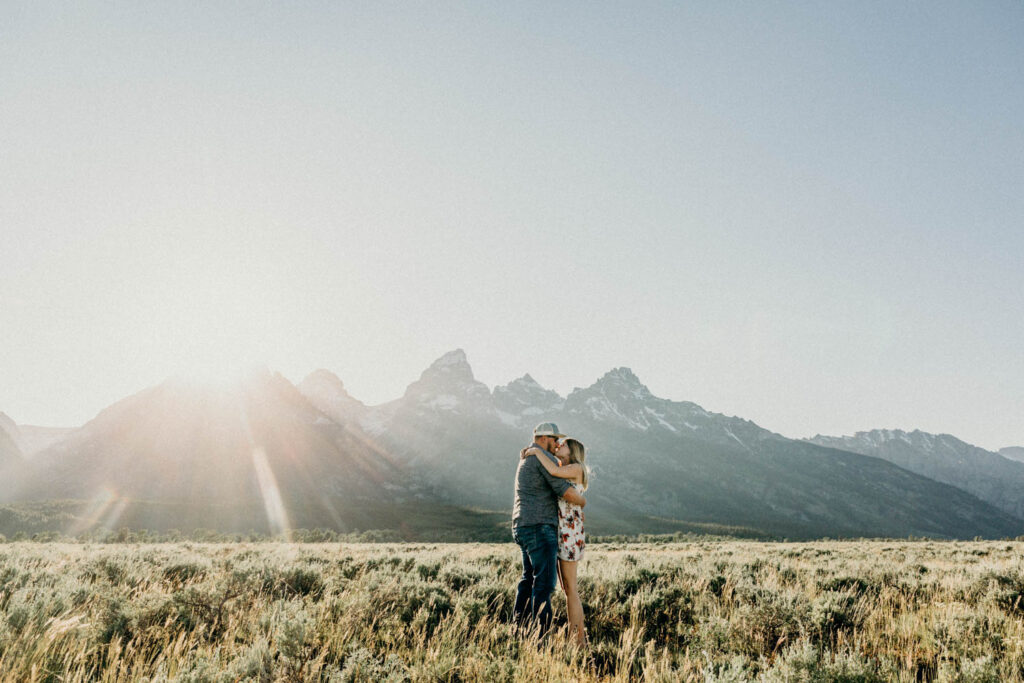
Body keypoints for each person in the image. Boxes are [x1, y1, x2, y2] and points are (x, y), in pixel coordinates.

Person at [512, 422, 586, 637]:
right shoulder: (544, 460)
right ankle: (541, 638)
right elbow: (567, 493)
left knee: (529, 580)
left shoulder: (527, 458)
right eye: (555, 440)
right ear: (544, 438)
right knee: (544, 585)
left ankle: (519, 630)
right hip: (539, 527)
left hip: (523, 525)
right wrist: (583, 501)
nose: (556, 445)